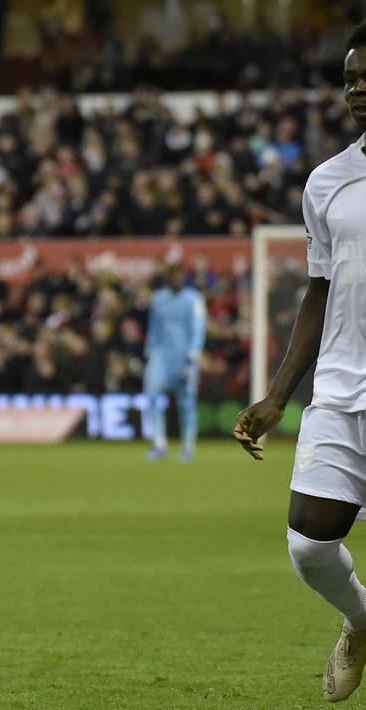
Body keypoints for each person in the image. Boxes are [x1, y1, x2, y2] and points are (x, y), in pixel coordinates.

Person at [234, 21, 366, 704]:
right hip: (341, 393)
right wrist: (278, 395)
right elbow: (317, 292)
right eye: (348, 79)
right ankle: (359, 621)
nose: (357, 89)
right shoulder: (328, 182)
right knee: (309, 547)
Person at [143, 262, 206, 462]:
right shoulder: (158, 299)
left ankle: (188, 447)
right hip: (161, 356)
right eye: (173, 275)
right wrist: (150, 351)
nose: (177, 279)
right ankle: (159, 443)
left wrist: (194, 355)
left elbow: (198, 328)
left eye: (180, 275)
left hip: (185, 357)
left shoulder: (193, 300)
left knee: (186, 402)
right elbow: (153, 327)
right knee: (152, 394)